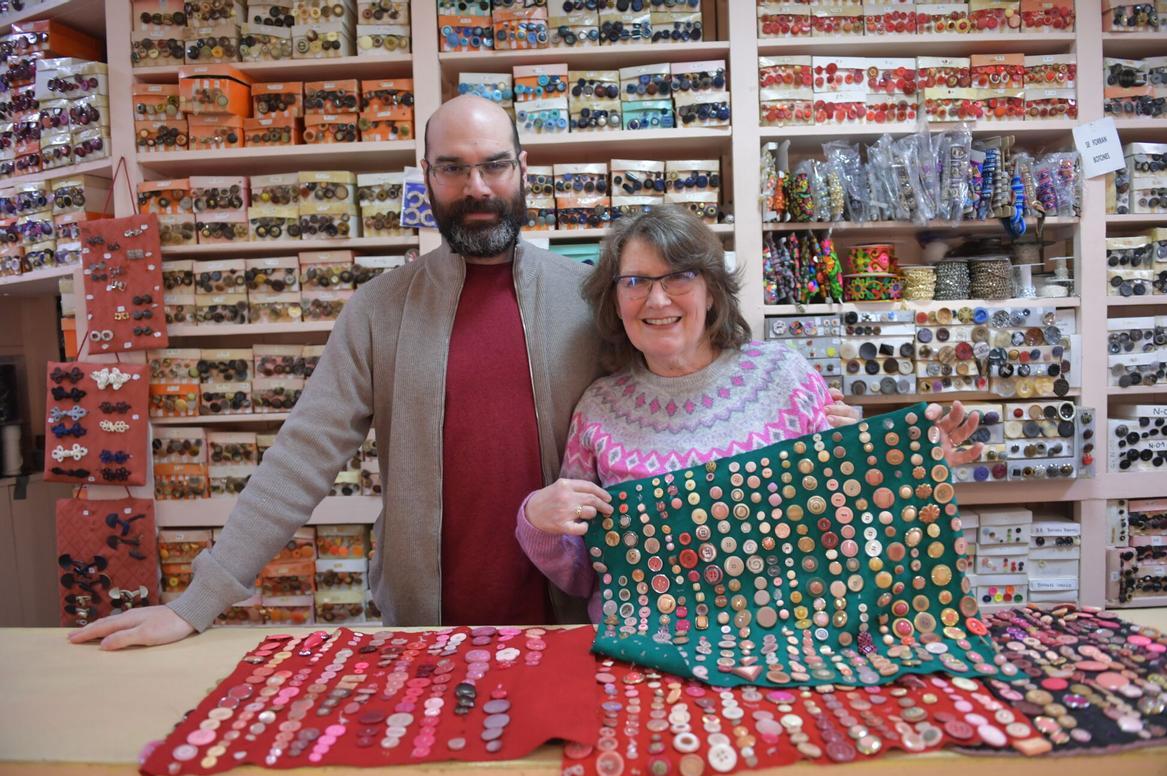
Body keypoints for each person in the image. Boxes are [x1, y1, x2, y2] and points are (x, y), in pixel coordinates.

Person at [67, 95, 863, 650]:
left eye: (493, 166)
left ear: (525, 168)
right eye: (452, 169)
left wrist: (810, 425)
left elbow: (689, 393)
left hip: (577, 623)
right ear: (425, 177)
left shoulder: (591, 298)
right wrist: (200, 601)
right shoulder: (377, 312)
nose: (476, 188)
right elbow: (300, 456)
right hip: (425, 629)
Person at [516, 205, 982, 621]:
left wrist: (906, 469)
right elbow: (582, 575)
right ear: (615, 301)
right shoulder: (598, 410)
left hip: (782, 647)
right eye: (635, 281)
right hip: (642, 655)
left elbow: (854, 531)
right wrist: (536, 522)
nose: (656, 300)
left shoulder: (787, 378)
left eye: (678, 276)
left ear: (713, 292)